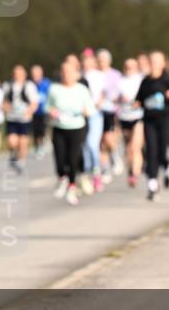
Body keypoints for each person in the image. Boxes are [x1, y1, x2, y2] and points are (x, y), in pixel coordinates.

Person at [47, 59, 95, 206]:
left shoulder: (82, 89)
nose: (66, 75)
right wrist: (52, 111)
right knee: (60, 158)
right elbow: (47, 107)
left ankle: (72, 188)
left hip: (76, 127)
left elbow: (90, 110)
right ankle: (62, 178)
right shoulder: (54, 89)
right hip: (59, 127)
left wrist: (85, 111)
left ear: (76, 74)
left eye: (70, 72)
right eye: (64, 72)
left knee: (73, 158)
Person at [135, 51, 169, 201]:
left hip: (165, 118)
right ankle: (152, 184)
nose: (153, 63)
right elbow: (139, 99)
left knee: (162, 149)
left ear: (163, 63)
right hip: (149, 120)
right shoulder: (145, 81)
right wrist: (134, 104)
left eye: (156, 60)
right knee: (151, 151)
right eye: (151, 60)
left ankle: (166, 167)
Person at [2, 65, 39, 174]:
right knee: (12, 141)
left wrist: (30, 112)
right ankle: (13, 154)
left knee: (23, 142)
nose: (17, 76)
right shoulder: (8, 85)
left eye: (20, 74)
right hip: (12, 117)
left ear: (24, 75)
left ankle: (21, 161)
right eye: (15, 74)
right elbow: (4, 100)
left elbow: (34, 102)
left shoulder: (29, 86)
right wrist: (5, 107)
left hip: (24, 118)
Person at [116, 58, 145, 187]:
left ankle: (135, 173)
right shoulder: (121, 81)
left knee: (135, 146)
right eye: (127, 67)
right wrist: (120, 99)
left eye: (132, 67)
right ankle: (130, 170)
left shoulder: (141, 80)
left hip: (138, 116)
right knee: (128, 148)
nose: (129, 69)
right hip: (124, 116)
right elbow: (114, 98)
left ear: (137, 67)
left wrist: (138, 102)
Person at [80, 49, 106, 193]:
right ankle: (86, 174)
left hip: (95, 113)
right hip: (82, 115)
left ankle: (96, 173)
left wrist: (99, 103)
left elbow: (103, 93)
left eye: (89, 59)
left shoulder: (99, 75)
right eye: (84, 59)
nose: (87, 62)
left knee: (92, 143)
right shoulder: (79, 76)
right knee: (83, 145)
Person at [96, 48, 123, 181]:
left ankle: (114, 155)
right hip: (96, 111)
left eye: (103, 60)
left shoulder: (115, 75)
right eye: (99, 60)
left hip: (110, 110)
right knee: (99, 142)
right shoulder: (94, 74)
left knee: (108, 137)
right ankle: (105, 168)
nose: (101, 63)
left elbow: (119, 92)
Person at [30, 64, 51, 159]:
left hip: (44, 111)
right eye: (33, 74)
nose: (35, 75)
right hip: (33, 111)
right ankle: (36, 146)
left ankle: (41, 145)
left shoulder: (47, 83)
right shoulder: (30, 85)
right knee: (34, 131)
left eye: (36, 73)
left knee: (42, 129)